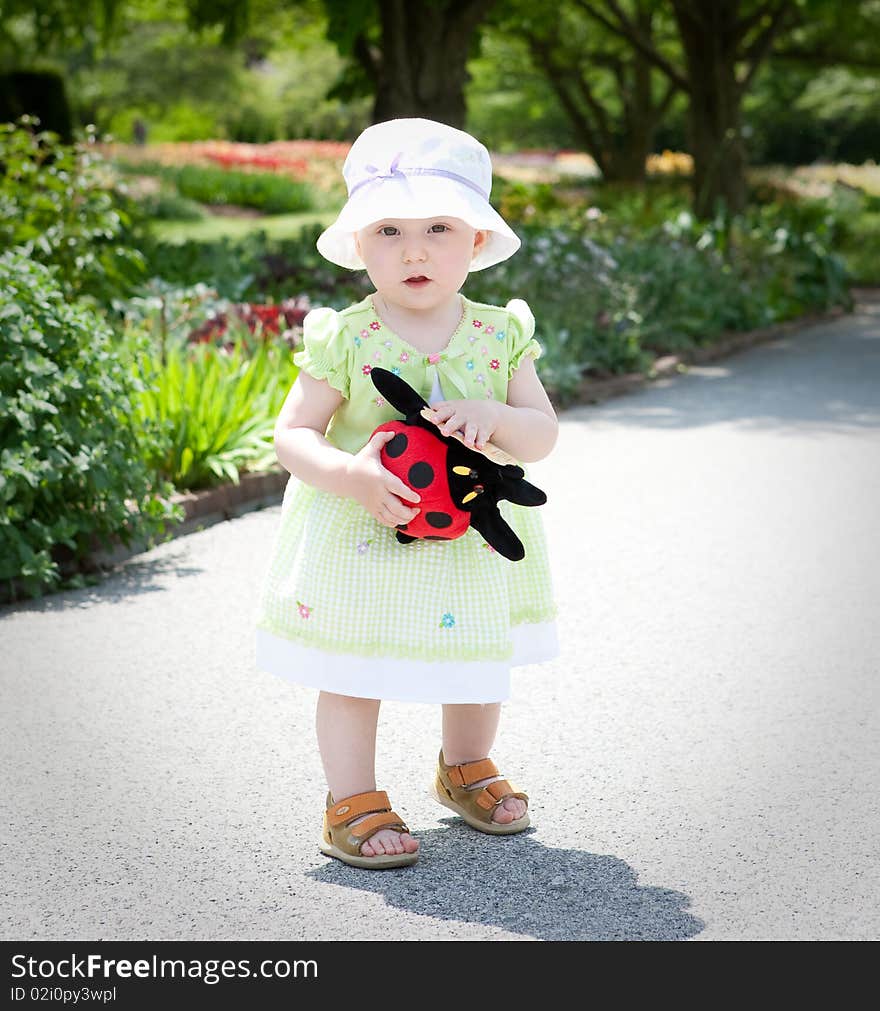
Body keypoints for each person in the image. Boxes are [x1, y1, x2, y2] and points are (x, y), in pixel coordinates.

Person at [254, 117, 560, 869]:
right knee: (355, 667)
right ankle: (350, 797)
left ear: (478, 243)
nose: (414, 249)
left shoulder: (498, 336)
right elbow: (292, 435)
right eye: (388, 229)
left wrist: (496, 417)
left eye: (438, 228)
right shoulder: (348, 337)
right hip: (367, 529)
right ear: (358, 243)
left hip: (470, 538)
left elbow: (543, 432)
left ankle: (465, 764)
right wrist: (349, 474)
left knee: (477, 656)